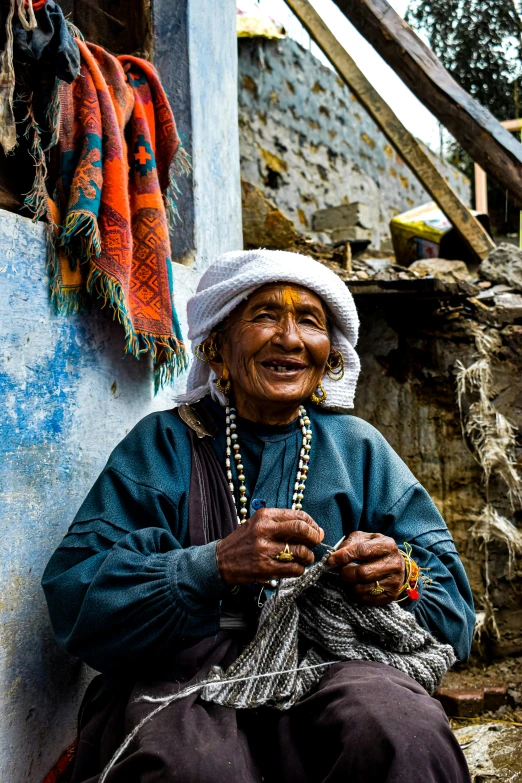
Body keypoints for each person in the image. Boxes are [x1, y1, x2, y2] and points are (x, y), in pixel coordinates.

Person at [42, 249, 474, 782]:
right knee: (193, 768)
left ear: (329, 359)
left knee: (401, 733)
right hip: (189, 669)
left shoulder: (358, 449)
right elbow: (76, 598)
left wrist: (402, 576)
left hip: (330, 659)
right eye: (265, 315)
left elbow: (454, 611)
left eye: (309, 322)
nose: (289, 338)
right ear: (218, 348)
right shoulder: (163, 447)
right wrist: (212, 565)